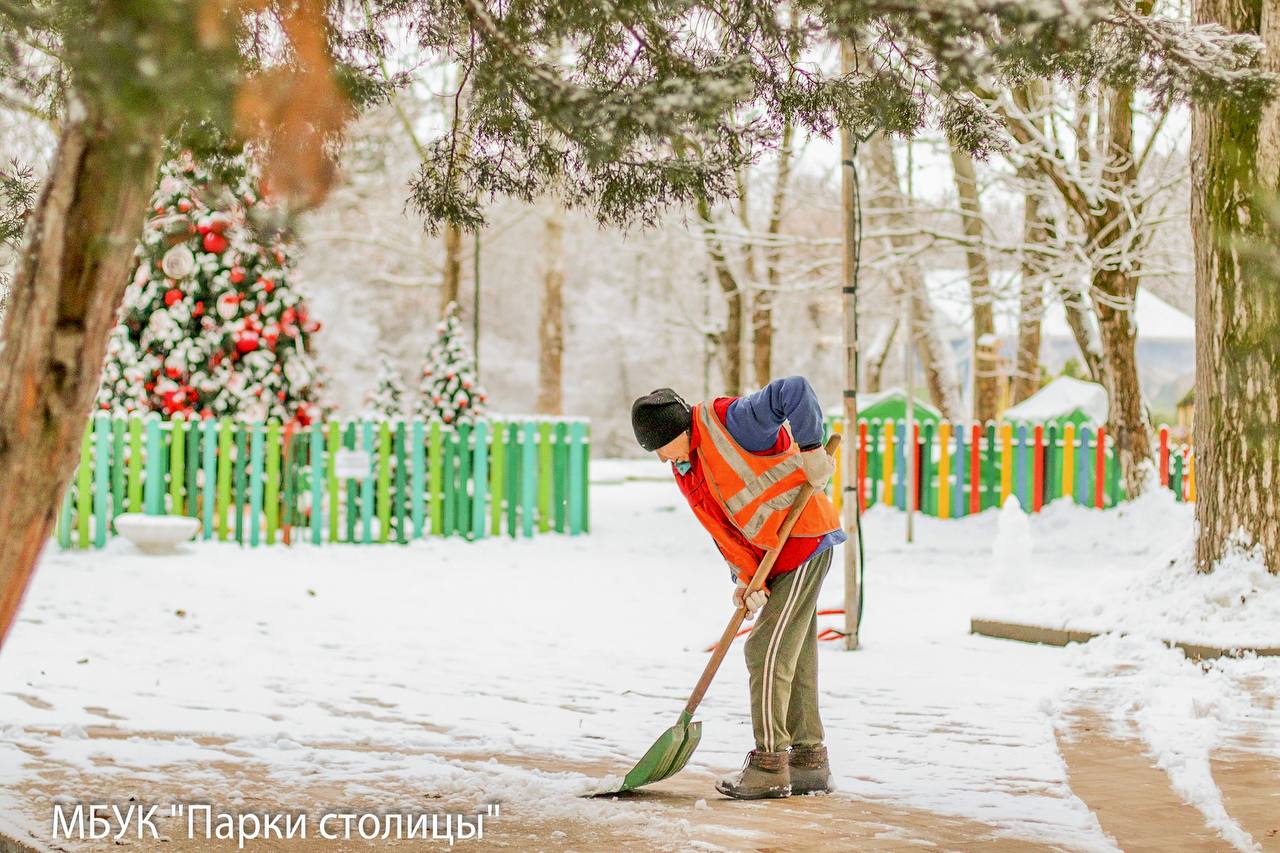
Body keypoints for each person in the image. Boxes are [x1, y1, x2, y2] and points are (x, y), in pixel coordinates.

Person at [630, 376, 846, 800]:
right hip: (773, 558)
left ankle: (769, 765)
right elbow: (724, 527)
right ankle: (809, 762)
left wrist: (811, 449)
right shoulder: (686, 466)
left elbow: (796, 389)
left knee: (763, 651)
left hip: (802, 542)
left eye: (659, 448)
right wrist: (746, 578)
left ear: (676, 432)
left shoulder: (733, 421)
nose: (660, 460)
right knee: (795, 657)